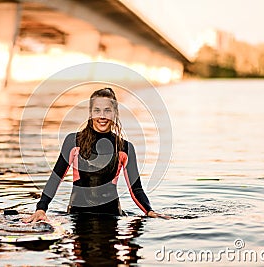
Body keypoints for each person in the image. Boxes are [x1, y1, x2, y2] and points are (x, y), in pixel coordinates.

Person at [29, 87, 164, 222]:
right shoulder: (73, 142)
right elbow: (55, 178)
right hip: (78, 218)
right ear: (90, 113)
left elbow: (136, 189)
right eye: (97, 110)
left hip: (111, 217)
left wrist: (149, 211)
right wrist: (41, 208)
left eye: (107, 110)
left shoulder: (125, 148)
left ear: (115, 113)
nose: (102, 116)